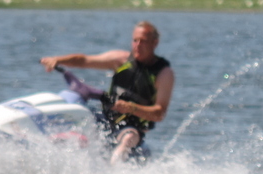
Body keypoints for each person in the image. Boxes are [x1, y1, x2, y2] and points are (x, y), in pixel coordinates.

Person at [40, 21, 174, 163]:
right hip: (105, 117)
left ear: (155, 43)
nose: (138, 45)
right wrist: (57, 60)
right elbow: (84, 60)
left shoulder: (164, 74)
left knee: (129, 137)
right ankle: (42, 138)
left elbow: (159, 113)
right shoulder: (121, 60)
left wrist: (131, 108)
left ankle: (113, 170)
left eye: (143, 41)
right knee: (75, 106)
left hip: (131, 127)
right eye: (135, 40)